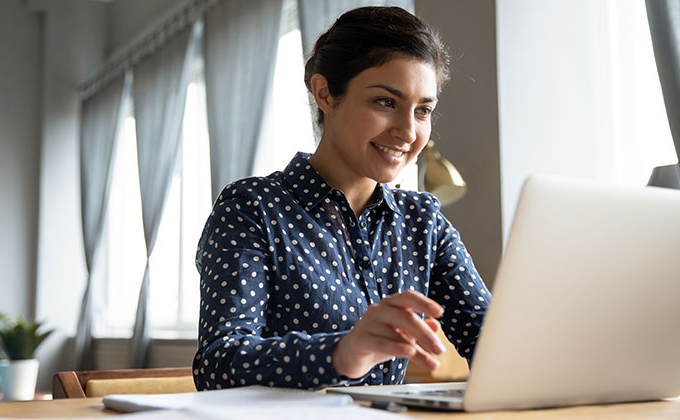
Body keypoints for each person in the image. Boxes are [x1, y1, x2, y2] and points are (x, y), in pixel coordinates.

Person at [193, 6, 491, 390]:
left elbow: (491, 342)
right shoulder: (252, 209)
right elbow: (219, 364)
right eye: (386, 102)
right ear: (325, 94)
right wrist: (343, 352)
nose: (407, 131)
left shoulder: (423, 222)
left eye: (423, 110)